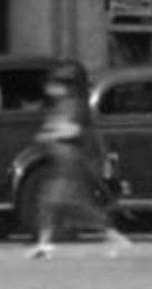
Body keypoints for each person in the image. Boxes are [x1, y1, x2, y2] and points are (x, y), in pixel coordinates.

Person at [27, 70, 130, 260]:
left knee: (72, 205)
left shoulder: (73, 105)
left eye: (53, 85)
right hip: (61, 160)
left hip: (70, 160)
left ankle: (115, 237)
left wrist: (51, 134)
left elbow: (73, 130)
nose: (49, 89)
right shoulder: (60, 106)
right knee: (50, 203)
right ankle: (43, 245)